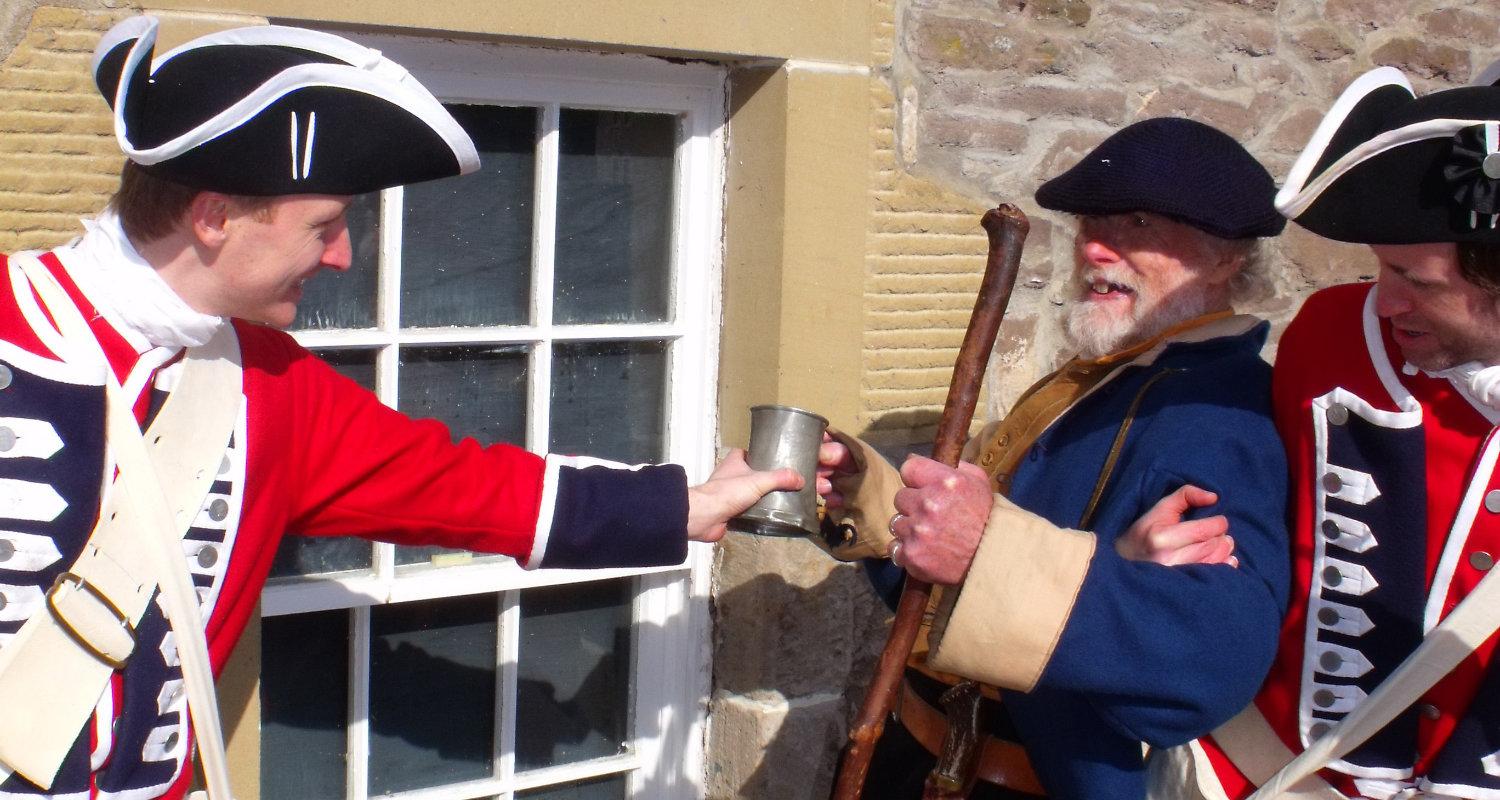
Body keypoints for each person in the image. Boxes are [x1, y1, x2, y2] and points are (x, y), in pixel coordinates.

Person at [0, 16, 797, 800]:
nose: (343, 255)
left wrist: (687, 505)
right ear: (214, 218)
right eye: (323, 225)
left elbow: (464, 489)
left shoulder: (269, 384)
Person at [814, 117, 1291, 798]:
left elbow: (1210, 662)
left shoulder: (1219, 415)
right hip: (921, 758)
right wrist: (872, 495)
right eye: (1090, 225)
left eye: (1137, 225)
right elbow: (964, 580)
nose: (1096, 248)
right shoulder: (1103, 378)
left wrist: (1064, 574)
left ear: (1227, 259)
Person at [1165, 64, 1500, 799]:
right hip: (1269, 772)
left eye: (1419, 279)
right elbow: (1229, 493)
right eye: (1383, 268)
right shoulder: (1329, 338)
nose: (1385, 301)